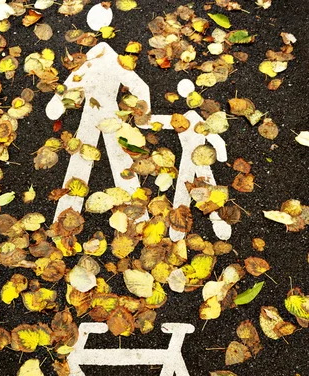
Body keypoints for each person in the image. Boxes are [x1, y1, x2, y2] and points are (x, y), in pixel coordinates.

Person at [46, 3, 151, 221]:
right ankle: (138, 217)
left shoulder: (96, 61)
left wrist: (57, 104)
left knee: (87, 160)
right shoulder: (109, 60)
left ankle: (66, 217)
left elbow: (72, 84)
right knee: (118, 158)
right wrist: (142, 111)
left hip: (102, 113)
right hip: (103, 113)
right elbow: (140, 86)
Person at [149, 78, 231, 241]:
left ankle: (185, 227)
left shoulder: (185, 119)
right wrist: (221, 155)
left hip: (198, 158)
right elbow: (216, 139)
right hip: (196, 158)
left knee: (191, 186)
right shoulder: (190, 120)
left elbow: (163, 121)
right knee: (206, 187)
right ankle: (208, 221)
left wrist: (222, 154)